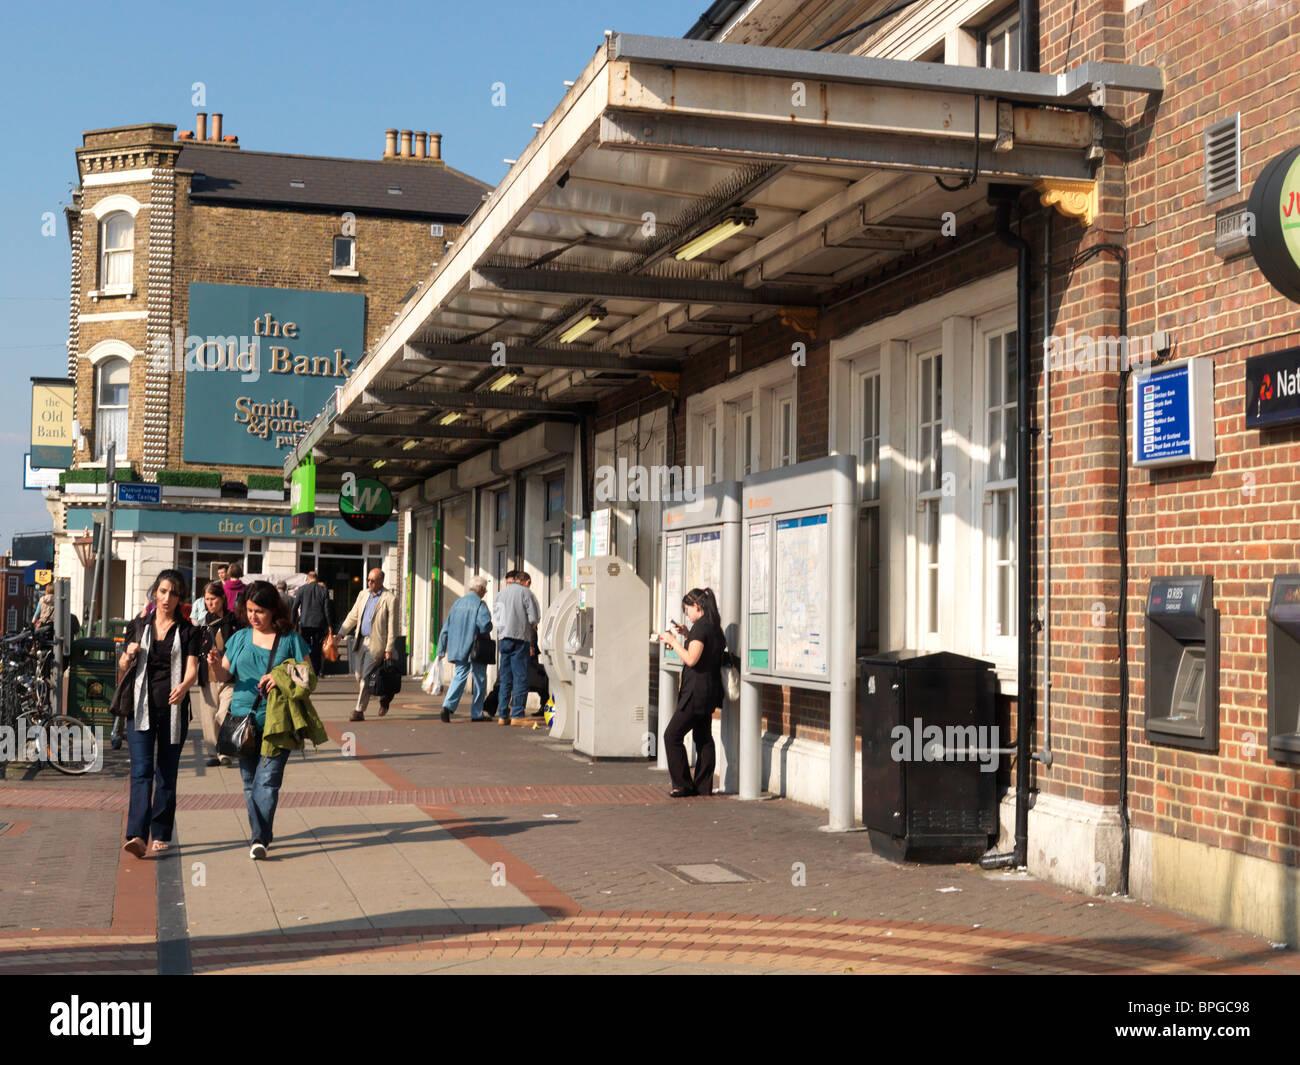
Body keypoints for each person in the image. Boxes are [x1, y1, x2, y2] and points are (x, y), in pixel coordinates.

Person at [208, 580, 311, 860]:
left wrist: (279, 676)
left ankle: (258, 837)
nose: (254, 616)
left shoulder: (290, 639)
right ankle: (262, 832)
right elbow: (224, 676)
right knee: (249, 780)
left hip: (279, 721)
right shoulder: (240, 638)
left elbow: (308, 677)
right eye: (250, 610)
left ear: (273, 611)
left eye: (260, 611)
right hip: (242, 719)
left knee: (268, 781)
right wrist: (216, 665)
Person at [120, 569, 201, 857]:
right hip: (140, 708)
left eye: (174, 593)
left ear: (181, 599)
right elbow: (121, 665)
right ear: (155, 591)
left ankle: (162, 832)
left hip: (173, 710)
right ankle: (137, 835)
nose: (167, 598)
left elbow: (193, 667)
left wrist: (184, 685)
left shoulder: (190, 630)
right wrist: (129, 653)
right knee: (141, 771)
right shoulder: (138, 625)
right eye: (163, 591)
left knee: (166, 772)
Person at [657, 587, 726, 798]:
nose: (686, 613)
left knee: (671, 735)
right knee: (703, 736)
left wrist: (673, 642)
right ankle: (703, 786)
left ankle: (682, 784)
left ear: (697, 606)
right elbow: (703, 653)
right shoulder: (715, 628)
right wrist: (687, 635)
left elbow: (691, 659)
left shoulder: (701, 628)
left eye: (687, 608)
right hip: (709, 691)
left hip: (694, 693)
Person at [337, 568, 398, 721]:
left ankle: (359, 711)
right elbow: (353, 615)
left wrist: (389, 647)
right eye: (368, 580)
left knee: (365, 677)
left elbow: (393, 626)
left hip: (377, 644)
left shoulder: (390, 599)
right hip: (360, 641)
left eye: (373, 581)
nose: (369, 583)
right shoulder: (363, 595)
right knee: (358, 675)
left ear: (381, 581)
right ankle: (384, 694)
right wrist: (340, 634)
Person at [194, 580, 241, 767]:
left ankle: (227, 750)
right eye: (206, 600)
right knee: (209, 716)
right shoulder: (204, 622)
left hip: (230, 675)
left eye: (213, 599)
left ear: (222, 598)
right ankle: (215, 753)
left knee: (224, 713)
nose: (209, 603)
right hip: (208, 675)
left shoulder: (235, 621)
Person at [435, 575, 493, 722]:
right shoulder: (480, 605)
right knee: (480, 679)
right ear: (480, 589)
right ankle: (476, 713)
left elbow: (446, 628)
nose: (485, 592)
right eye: (485, 589)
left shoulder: (457, 603)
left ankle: (447, 706)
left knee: (459, 676)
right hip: (475, 648)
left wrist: (441, 649)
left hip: (458, 648)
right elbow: (485, 625)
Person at [492, 568, 539, 725]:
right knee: (520, 677)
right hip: (520, 638)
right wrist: (530, 625)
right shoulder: (526, 593)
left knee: (505, 678)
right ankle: (517, 714)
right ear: (526, 581)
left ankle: (503, 714)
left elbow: (497, 617)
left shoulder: (501, 594)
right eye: (529, 583)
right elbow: (534, 618)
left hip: (504, 638)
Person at [293, 570, 331, 675]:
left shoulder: (302, 589)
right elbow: (327, 609)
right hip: (319, 624)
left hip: (305, 623)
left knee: (304, 646)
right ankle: (316, 670)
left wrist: (293, 623)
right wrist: (329, 625)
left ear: (308, 579)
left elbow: (295, 607)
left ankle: (305, 669)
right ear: (317, 579)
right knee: (317, 648)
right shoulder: (324, 590)